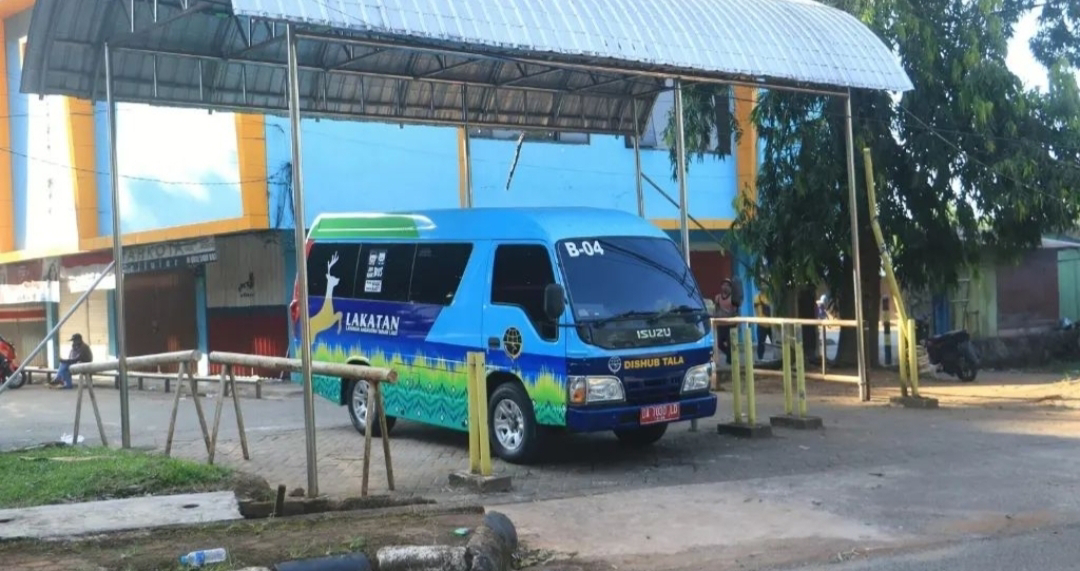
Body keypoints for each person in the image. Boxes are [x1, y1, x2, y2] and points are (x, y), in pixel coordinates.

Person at [753, 288, 772, 360]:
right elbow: (757, 310)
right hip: (761, 324)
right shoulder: (757, 297)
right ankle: (760, 358)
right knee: (761, 343)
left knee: (775, 343)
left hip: (771, 324)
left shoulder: (771, 297)